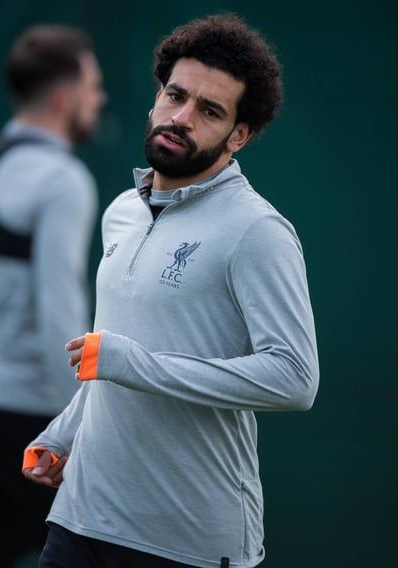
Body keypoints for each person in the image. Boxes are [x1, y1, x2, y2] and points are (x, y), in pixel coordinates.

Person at [23, 13, 319, 568]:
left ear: (240, 135)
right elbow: (112, 359)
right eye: (175, 96)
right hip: (80, 518)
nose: (181, 118)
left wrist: (134, 363)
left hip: (187, 543)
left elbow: (295, 379)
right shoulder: (121, 213)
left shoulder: (257, 231)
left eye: (209, 111)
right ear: (156, 96)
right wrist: (64, 434)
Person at [0, 25, 106, 567]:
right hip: (25, 421)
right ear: (64, 99)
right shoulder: (62, 179)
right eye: (92, 86)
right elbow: (63, 314)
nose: (100, 99)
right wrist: (79, 427)